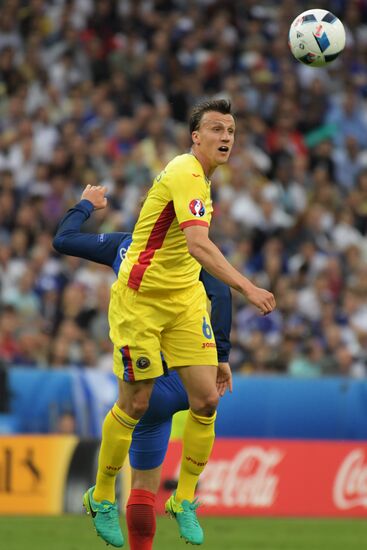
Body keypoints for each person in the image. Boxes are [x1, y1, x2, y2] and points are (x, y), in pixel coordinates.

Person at [78, 98, 275, 548]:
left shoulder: (204, 182)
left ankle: (183, 499)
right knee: (136, 403)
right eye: (216, 128)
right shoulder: (185, 170)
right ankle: (102, 495)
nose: (226, 136)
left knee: (206, 400)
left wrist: (220, 355)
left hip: (184, 300)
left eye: (231, 130)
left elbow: (195, 259)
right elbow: (199, 246)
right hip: (141, 300)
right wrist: (250, 287)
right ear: (195, 136)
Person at [53, 184, 233, 550]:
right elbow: (222, 294)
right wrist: (223, 354)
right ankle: (181, 498)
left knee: (141, 485)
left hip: (147, 386)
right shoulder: (190, 251)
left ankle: (108, 496)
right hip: (179, 383)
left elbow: (65, 238)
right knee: (202, 402)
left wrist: (86, 205)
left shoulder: (123, 245)